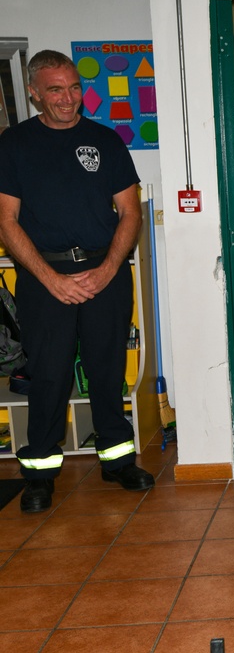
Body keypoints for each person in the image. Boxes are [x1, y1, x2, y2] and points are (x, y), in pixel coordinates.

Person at [0, 50, 155, 512]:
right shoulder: (13, 145)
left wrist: (108, 269)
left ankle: (117, 461)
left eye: (73, 87)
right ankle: (41, 475)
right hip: (42, 277)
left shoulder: (106, 141)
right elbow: (6, 223)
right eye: (55, 90)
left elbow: (129, 212)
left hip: (103, 271)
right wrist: (51, 280)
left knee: (107, 369)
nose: (68, 99)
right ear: (33, 93)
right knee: (49, 374)